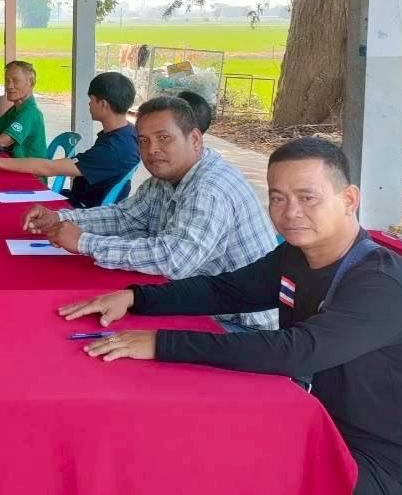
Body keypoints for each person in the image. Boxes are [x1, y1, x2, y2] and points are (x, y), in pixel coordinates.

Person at [60, 137, 402, 495]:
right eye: (277, 198)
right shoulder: (297, 255)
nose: (290, 212)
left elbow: (295, 351)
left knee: (211, 480)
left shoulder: (381, 282)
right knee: (184, 438)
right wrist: (136, 298)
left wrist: (163, 343)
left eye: (307, 197)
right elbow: (227, 290)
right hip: (324, 429)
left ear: (349, 200)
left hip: (396, 474)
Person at [25, 95, 278, 330]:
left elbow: (173, 259)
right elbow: (125, 217)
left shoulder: (209, 189)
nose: (152, 149)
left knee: (106, 333)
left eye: (164, 138)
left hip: (240, 326)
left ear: (195, 139)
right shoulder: (166, 178)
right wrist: (61, 217)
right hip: (196, 302)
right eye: (143, 141)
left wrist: (84, 242)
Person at [0, 71, 138, 208]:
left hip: (84, 211)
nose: (89, 104)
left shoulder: (114, 149)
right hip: (79, 200)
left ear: (103, 104)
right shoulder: (127, 133)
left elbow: (49, 168)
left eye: (91, 100)